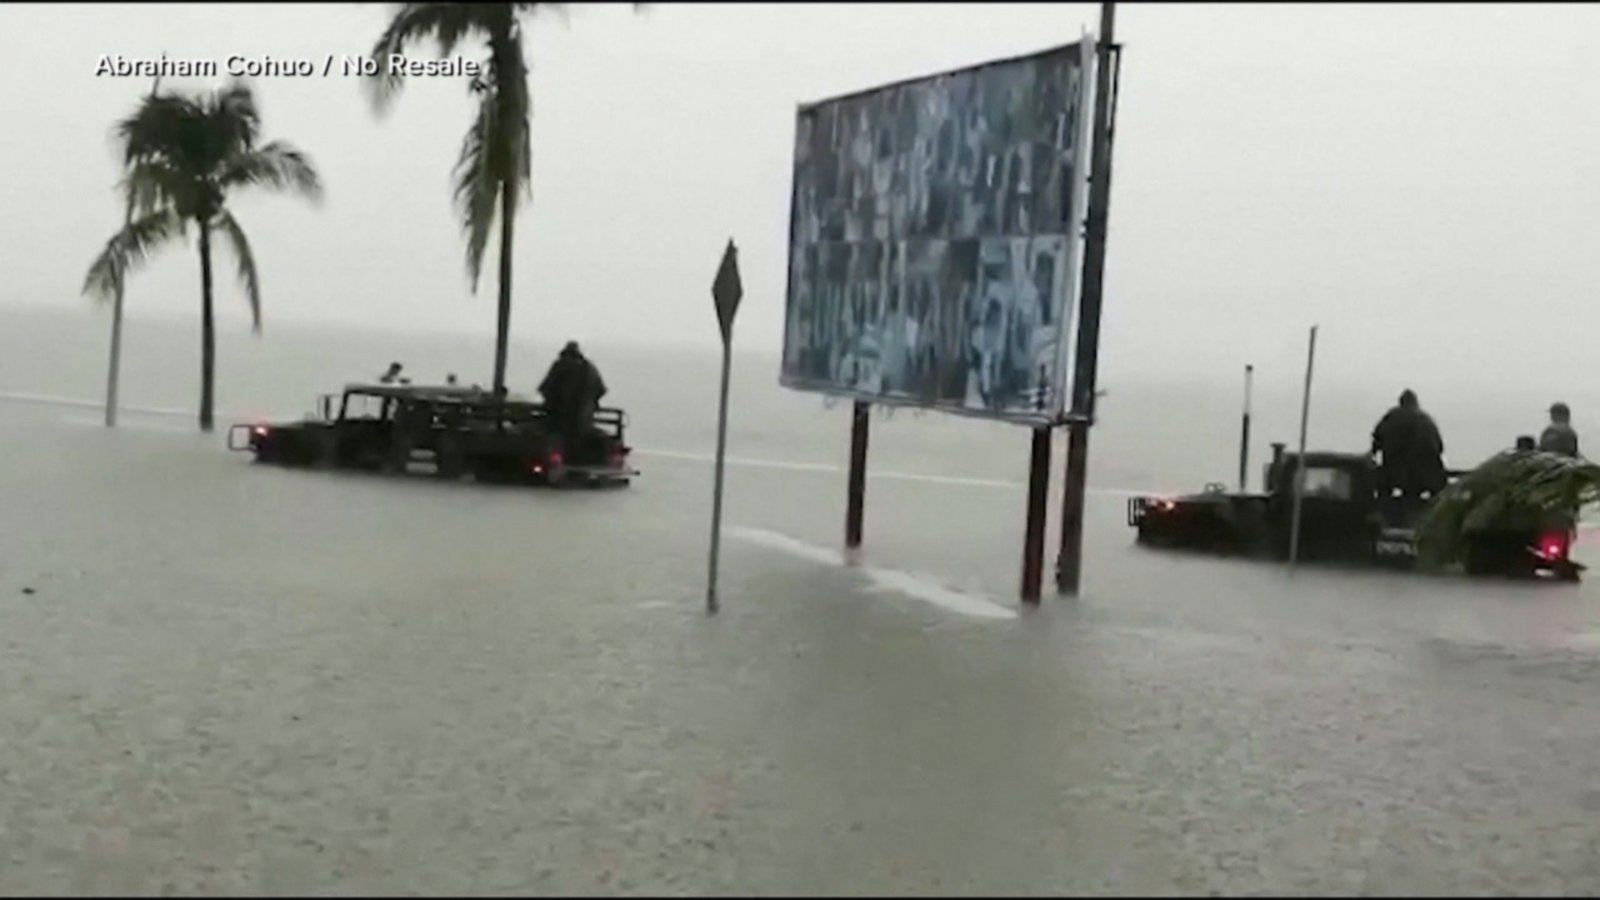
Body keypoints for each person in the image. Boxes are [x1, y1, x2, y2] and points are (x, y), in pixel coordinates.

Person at [1370, 389, 1447, 515]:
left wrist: (1374, 453)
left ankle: (1384, 513)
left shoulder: (1392, 416)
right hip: (1425, 473)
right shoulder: (1426, 420)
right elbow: (1439, 447)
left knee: (1383, 489)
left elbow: (1378, 438)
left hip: (1395, 470)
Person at [538, 341, 607, 442]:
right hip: (585, 422)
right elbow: (601, 390)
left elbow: (545, 388)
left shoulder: (561, 365)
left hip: (560, 421)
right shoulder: (591, 368)